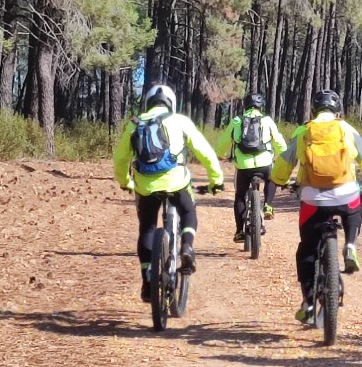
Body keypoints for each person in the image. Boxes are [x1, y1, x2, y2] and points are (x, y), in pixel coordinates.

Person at [272, 89, 362, 324]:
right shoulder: (346, 130)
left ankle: (307, 302)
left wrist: (280, 182)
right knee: (354, 207)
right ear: (338, 111)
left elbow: (283, 165)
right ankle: (351, 245)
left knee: (306, 250)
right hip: (346, 195)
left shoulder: (304, 131)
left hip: (313, 200)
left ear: (313, 110)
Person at [112, 83, 224, 302]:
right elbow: (205, 152)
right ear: (171, 103)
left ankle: (147, 277)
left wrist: (125, 182)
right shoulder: (180, 121)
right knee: (188, 210)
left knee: (147, 227)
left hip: (145, 186)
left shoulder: (135, 124)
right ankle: (187, 247)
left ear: (148, 103)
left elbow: (120, 160)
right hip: (176, 182)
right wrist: (216, 180)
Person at [215, 93, 287, 243]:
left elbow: (223, 143)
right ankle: (267, 206)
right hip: (265, 163)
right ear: (260, 106)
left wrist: (220, 154)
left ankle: (239, 231)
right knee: (271, 179)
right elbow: (279, 142)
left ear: (245, 106)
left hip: (243, 166)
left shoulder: (236, 121)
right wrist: (282, 156)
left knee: (240, 195)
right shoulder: (267, 121)